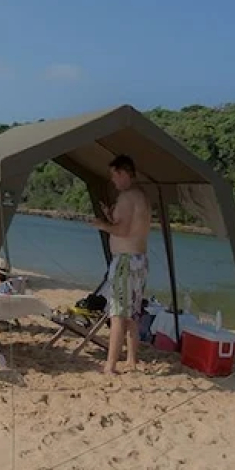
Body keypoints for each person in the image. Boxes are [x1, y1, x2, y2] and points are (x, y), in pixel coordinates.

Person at [91, 154, 151, 375]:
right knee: (132, 313)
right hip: (139, 260)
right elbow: (130, 225)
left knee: (117, 314)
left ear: (123, 173)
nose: (113, 181)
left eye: (114, 175)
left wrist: (101, 224)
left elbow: (122, 230)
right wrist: (110, 217)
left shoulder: (127, 197)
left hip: (126, 261)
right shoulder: (141, 195)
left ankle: (110, 365)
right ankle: (132, 361)